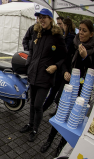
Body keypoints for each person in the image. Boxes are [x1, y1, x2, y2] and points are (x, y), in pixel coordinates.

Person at [42, 19, 94, 155]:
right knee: (60, 112)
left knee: (72, 120)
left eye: (84, 31)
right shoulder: (75, 43)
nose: (81, 33)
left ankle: (60, 147)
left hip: (82, 91)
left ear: (92, 34)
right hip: (68, 86)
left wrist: (85, 57)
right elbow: (64, 60)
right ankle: (49, 140)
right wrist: (65, 71)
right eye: (80, 29)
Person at [19, 8, 67, 143]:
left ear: (50, 19)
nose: (41, 19)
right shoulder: (36, 32)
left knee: (38, 105)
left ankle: (35, 129)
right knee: (32, 103)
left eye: (44, 17)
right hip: (33, 73)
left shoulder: (57, 36)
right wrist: (29, 65)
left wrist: (56, 66)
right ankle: (30, 124)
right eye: (40, 17)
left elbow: (64, 56)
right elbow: (32, 52)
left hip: (46, 76)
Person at [43, 18, 76, 117]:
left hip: (64, 71)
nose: (59, 26)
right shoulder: (64, 36)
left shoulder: (70, 38)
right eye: (58, 24)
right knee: (53, 92)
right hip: (61, 69)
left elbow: (65, 55)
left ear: (66, 25)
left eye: (61, 24)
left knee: (57, 94)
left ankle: (47, 110)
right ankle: (44, 109)